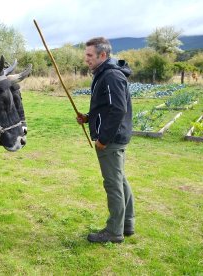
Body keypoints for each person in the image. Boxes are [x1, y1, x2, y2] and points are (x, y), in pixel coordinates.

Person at [76, 37, 134, 243]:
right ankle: (127, 224)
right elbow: (107, 107)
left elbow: (118, 109)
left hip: (112, 139)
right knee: (119, 179)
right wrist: (89, 118)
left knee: (113, 183)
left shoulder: (110, 76)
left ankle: (114, 232)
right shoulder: (105, 73)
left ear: (103, 55)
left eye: (90, 55)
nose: (86, 60)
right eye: (86, 55)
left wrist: (103, 139)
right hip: (114, 137)